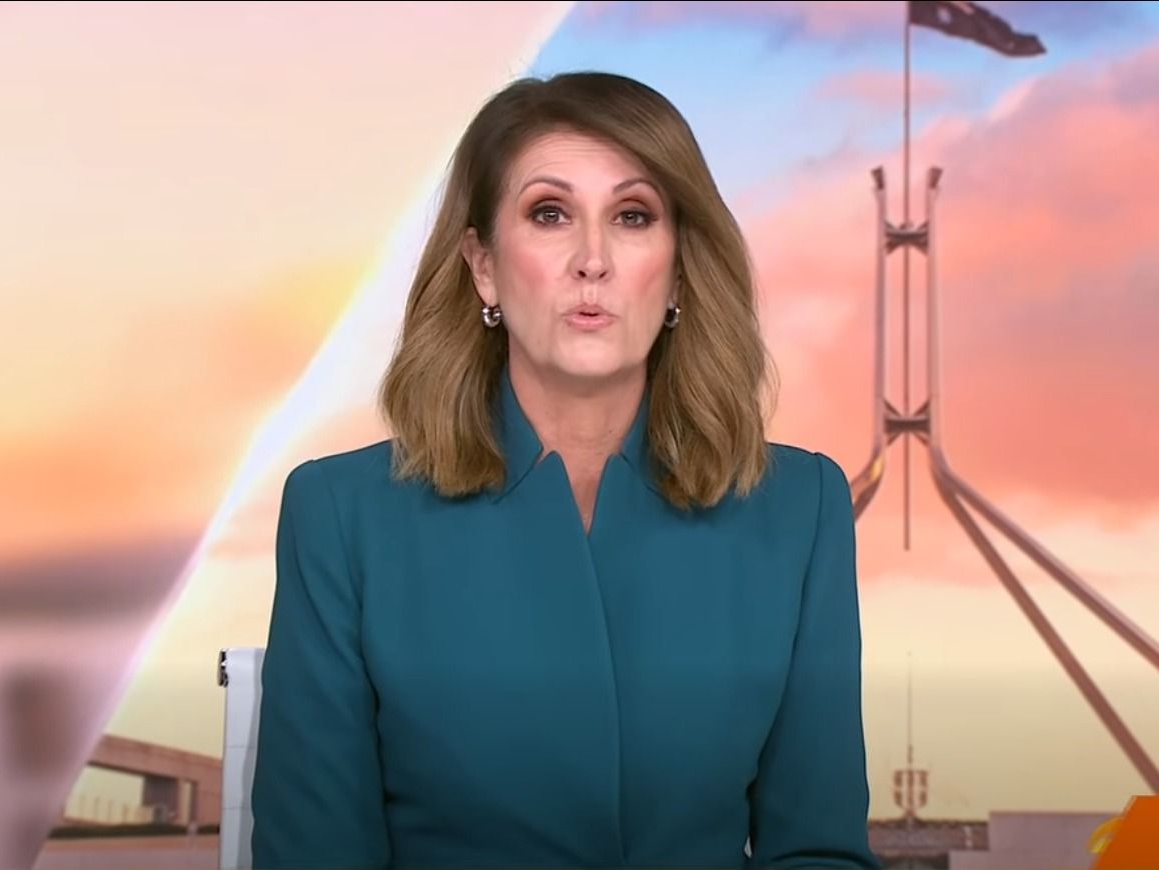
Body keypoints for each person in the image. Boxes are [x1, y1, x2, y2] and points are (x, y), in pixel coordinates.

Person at [250, 70, 879, 870]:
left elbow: (819, 850)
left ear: (681, 269)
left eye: (632, 216)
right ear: (483, 265)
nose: (593, 260)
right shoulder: (340, 515)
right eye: (549, 214)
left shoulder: (799, 508)